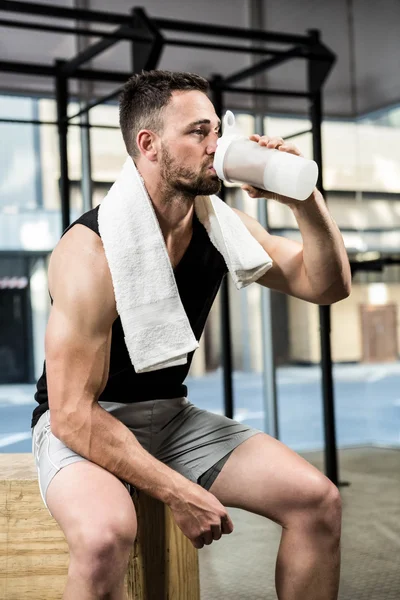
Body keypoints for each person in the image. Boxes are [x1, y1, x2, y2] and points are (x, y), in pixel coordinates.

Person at [31, 69, 351, 600]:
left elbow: (327, 284)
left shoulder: (219, 224)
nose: (216, 146)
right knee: (106, 537)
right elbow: (70, 414)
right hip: (89, 423)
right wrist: (177, 490)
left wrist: (303, 199)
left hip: (170, 416)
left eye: (217, 132)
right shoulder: (91, 251)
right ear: (149, 145)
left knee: (317, 501)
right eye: (199, 132)